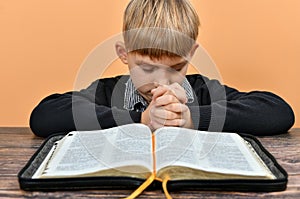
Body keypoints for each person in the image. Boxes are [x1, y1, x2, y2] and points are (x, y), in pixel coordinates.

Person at [30, 0, 294, 138]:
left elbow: (278, 111)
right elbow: (43, 116)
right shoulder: (106, 92)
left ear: (191, 55)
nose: (160, 82)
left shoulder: (204, 91)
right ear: (124, 55)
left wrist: (189, 118)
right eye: (146, 67)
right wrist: (142, 120)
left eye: (176, 67)